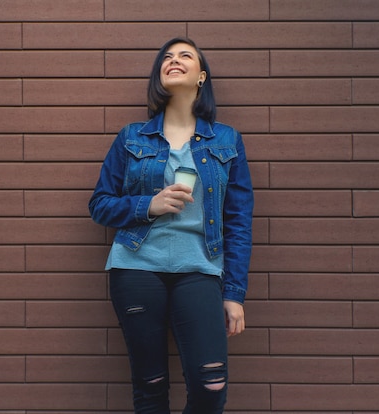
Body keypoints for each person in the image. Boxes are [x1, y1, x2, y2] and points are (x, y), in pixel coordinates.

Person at [88, 37, 254, 413]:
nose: (173, 61)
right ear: (159, 75)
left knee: (211, 385)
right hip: (135, 266)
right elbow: (99, 205)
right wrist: (150, 204)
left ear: (201, 76)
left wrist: (234, 294)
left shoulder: (227, 140)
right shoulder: (132, 137)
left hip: (200, 268)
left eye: (185, 56)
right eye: (167, 57)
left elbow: (239, 222)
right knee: (151, 387)